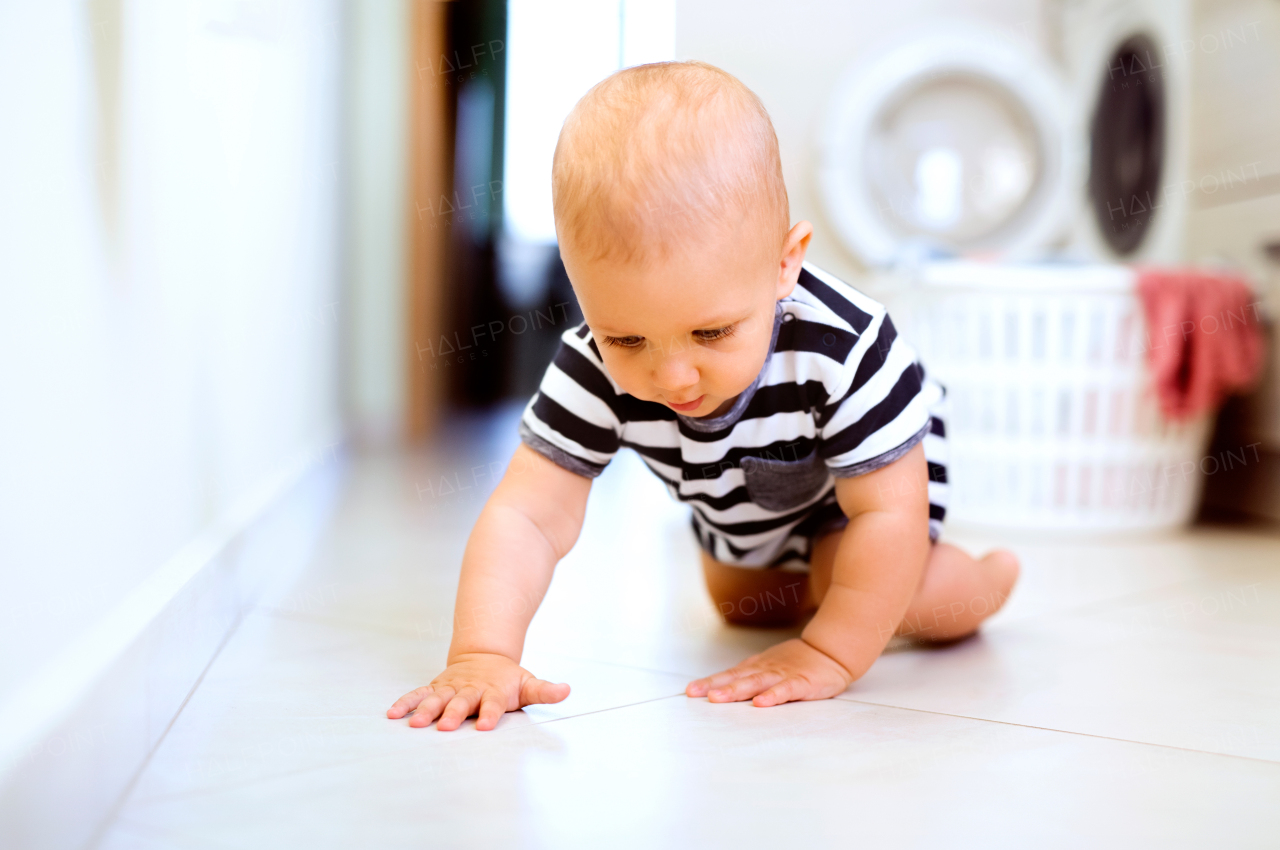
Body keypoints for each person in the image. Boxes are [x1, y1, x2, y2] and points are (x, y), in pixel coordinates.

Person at [388, 61, 1019, 732]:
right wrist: (483, 653)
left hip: (870, 493)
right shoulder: (591, 365)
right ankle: (804, 582)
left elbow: (886, 514)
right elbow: (527, 516)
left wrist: (827, 653)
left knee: (859, 575)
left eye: (711, 332)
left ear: (785, 263)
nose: (674, 377)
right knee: (743, 605)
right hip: (743, 502)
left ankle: (976, 582)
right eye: (627, 338)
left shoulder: (845, 348)